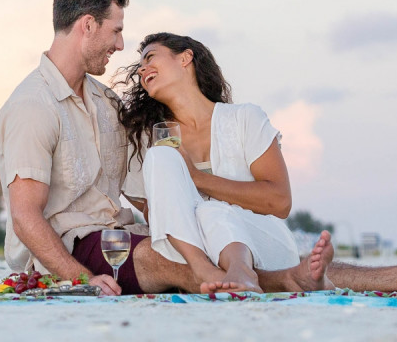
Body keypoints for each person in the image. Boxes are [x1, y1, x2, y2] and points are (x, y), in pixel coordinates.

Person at [0, 0, 397, 296]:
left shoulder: (106, 105)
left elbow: (149, 197)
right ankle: (314, 279)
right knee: (176, 260)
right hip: (80, 247)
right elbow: (26, 218)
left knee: (205, 240)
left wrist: (195, 218)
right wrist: (82, 280)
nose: (121, 47)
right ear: (87, 26)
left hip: (132, 232)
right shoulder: (32, 106)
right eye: (116, 31)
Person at [116, 32, 330, 293]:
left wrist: (197, 179)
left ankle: (240, 269)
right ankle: (205, 270)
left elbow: (280, 202)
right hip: (195, 251)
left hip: (264, 244)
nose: (142, 69)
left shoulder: (244, 119)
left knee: (211, 210)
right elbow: (159, 215)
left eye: (150, 57)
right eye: (140, 66)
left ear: (185, 58)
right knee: (162, 156)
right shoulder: (149, 140)